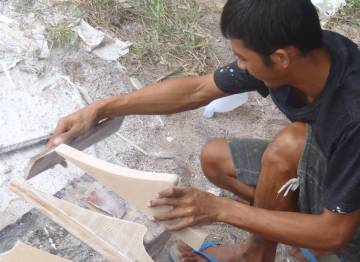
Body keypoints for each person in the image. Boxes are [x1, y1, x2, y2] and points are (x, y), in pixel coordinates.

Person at [48, 0, 360, 261]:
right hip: (328, 167)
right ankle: (296, 232)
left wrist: (220, 209)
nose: (238, 67)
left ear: (281, 58)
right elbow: (197, 90)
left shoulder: (352, 113)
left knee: (290, 144)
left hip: (347, 219)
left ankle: (270, 251)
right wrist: (101, 108)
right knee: (216, 159)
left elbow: (335, 231)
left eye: (242, 58)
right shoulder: (304, 53)